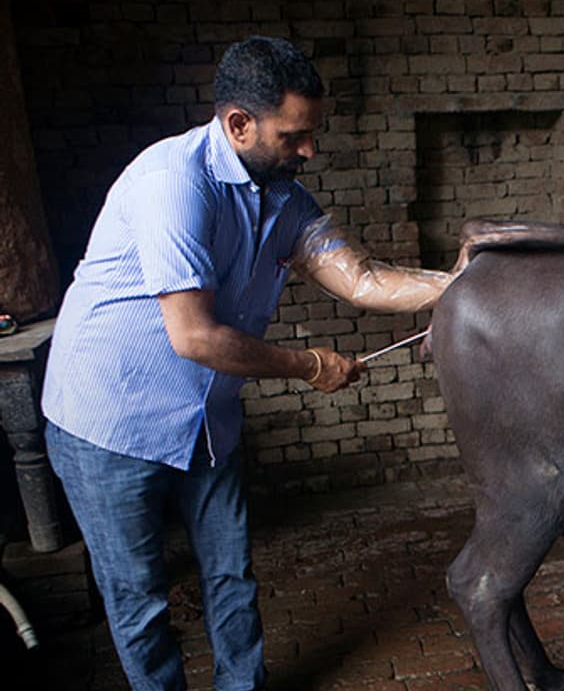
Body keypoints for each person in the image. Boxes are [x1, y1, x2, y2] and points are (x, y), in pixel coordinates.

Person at [41, 36, 454, 690]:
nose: (309, 151)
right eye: (294, 136)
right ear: (239, 123)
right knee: (140, 600)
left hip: (205, 419)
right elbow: (195, 336)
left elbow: (362, 277)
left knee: (231, 574)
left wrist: (459, 285)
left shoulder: (285, 198)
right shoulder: (173, 183)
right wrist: (312, 364)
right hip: (109, 423)